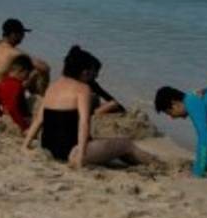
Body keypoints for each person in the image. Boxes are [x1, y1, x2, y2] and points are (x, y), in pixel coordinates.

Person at [24, 47, 161, 168]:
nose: (93, 78)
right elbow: (84, 123)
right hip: (71, 152)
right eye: (92, 73)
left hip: (48, 148)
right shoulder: (83, 89)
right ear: (84, 72)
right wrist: (81, 156)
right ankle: (156, 163)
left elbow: (39, 120)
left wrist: (26, 144)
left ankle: (142, 162)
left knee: (111, 145)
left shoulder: (53, 87)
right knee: (126, 144)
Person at [0, 19, 49, 103]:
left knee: (16, 69)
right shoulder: (13, 52)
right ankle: (40, 100)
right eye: (22, 34)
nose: (23, 37)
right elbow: (45, 68)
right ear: (14, 35)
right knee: (38, 71)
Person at [62, 45, 124, 116]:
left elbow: (108, 97)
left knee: (102, 101)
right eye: (95, 73)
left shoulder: (90, 83)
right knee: (98, 100)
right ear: (85, 72)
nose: (97, 76)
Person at [0, 54, 36, 132]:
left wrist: (0, 114)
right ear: (21, 71)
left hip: (6, 119)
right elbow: (12, 108)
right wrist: (24, 127)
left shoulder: (3, 82)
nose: (27, 78)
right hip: (17, 122)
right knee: (35, 99)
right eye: (27, 74)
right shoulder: (17, 85)